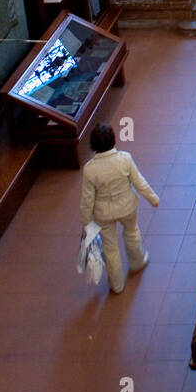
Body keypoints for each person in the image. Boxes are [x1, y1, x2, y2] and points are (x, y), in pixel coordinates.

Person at [79, 123, 159, 294]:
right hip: (127, 207)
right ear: (113, 140)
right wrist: (153, 198)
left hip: (103, 213)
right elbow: (139, 181)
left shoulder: (89, 170)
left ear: (93, 145)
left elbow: (87, 199)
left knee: (110, 247)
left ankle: (116, 284)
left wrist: (87, 222)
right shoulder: (125, 158)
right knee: (132, 232)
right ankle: (137, 261)